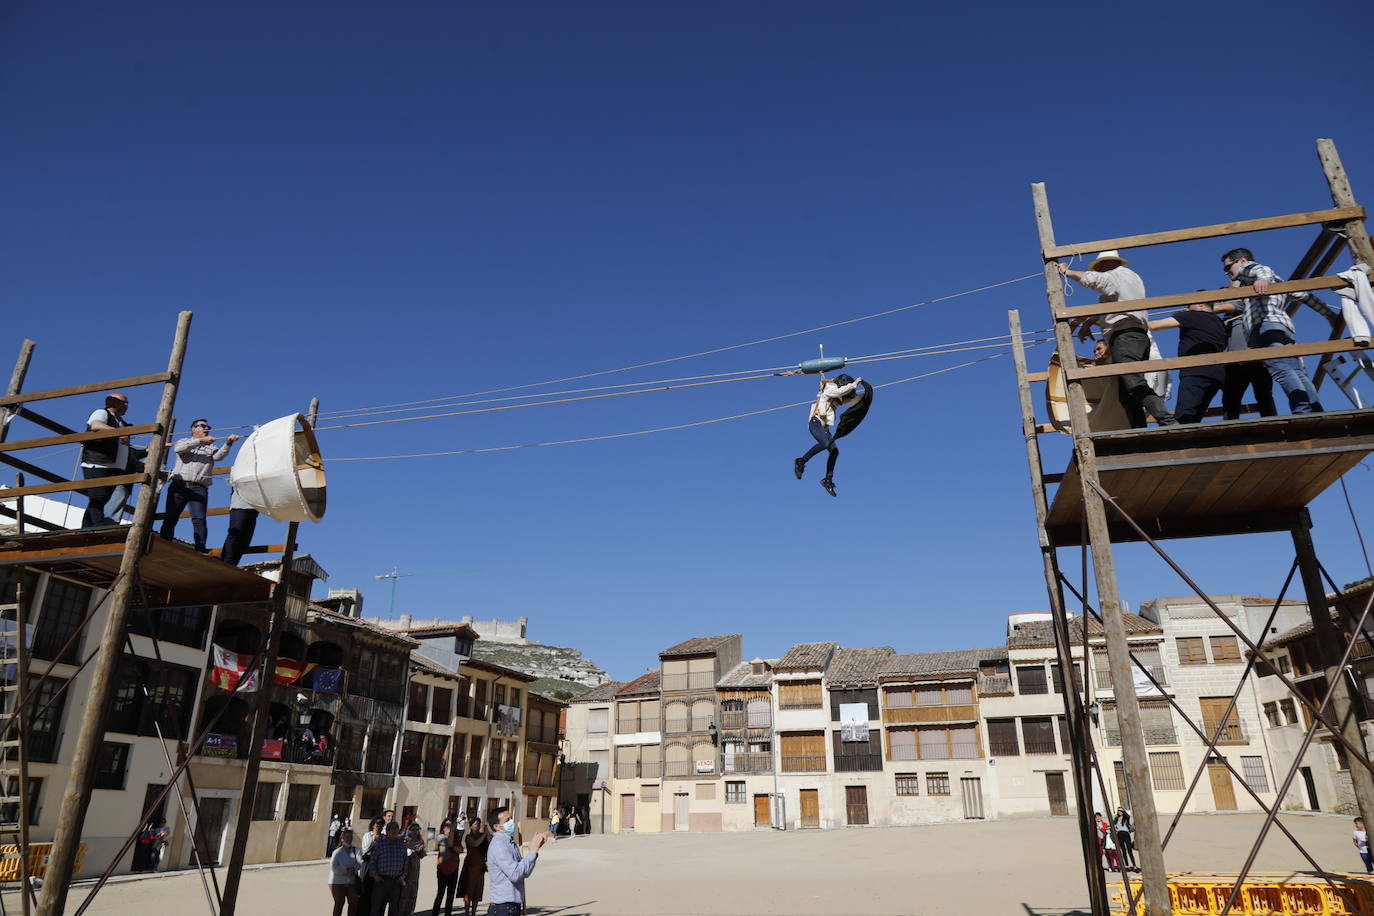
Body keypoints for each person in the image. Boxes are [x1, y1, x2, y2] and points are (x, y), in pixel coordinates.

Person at [1060, 251, 1177, 427]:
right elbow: (1110, 305)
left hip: (1125, 337)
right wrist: (1089, 322)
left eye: (1100, 267)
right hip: (1135, 335)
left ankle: (1166, 420)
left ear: (1108, 264)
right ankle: (1140, 429)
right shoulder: (1129, 278)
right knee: (1126, 392)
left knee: (1132, 382)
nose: (1099, 270)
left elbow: (1094, 280)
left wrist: (1068, 272)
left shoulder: (1115, 275)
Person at [1222, 248, 1324, 414]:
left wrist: (1262, 279)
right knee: (1296, 371)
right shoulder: (1278, 281)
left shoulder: (1249, 271)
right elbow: (1305, 296)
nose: (1227, 272)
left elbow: (1261, 269)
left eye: (1228, 267)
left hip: (1265, 327)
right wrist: (1328, 314)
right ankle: (1315, 408)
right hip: (1283, 328)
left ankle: (1302, 409)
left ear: (1241, 261)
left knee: (1280, 369)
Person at [159, 420, 240, 550]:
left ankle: (200, 549)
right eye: (203, 426)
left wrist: (228, 443)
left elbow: (218, 456)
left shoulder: (211, 447)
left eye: (208, 426)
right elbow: (179, 449)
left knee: (199, 519)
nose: (206, 428)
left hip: (199, 487)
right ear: (193, 429)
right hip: (179, 485)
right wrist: (200, 441)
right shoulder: (184, 441)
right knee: (171, 517)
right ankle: (163, 544)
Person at [1148, 299, 1229, 423]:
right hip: (1217, 375)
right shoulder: (1220, 322)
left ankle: (1181, 441)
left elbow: (1154, 326)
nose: (1187, 309)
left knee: (1184, 416)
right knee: (1196, 417)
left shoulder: (1192, 315)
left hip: (1196, 371)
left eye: (1189, 306)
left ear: (1200, 305)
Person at [793, 373, 867, 497]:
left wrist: (867, 393)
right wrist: (854, 384)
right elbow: (839, 392)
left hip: (825, 428)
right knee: (825, 444)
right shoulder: (829, 388)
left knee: (834, 451)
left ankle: (828, 479)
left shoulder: (838, 398)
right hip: (815, 422)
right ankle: (801, 461)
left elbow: (854, 400)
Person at [81, 392, 144, 526]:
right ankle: (97, 527)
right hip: (97, 464)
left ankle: (86, 528)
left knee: (101, 499)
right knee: (98, 497)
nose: (126, 406)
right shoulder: (102, 413)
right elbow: (96, 425)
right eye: (124, 403)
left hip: (112, 467)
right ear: (113, 403)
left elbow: (125, 449)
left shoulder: (120, 423)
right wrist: (119, 433)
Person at [486, 807, 548, 916]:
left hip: (513, 906)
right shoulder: (499, 845)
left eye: (511, 819)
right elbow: (515, 874)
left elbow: (524, 872)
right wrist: (532, 851)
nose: (511, 822)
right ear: (497, 826)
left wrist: (534, 851)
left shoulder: (510, 843)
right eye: (507, 820)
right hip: (502, 907)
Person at [1220, 304, 1277, 420]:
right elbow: (1222, 342)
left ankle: (1272, 423)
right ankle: (1230, 427)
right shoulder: (1228, 319)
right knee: (1230, 398)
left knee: (1264, 395)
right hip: (1234, 363)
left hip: (1257, 359)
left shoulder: (1252, 310)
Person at [367, 821, 408, 916]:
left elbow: (406, 863)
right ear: (387, 831)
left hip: (396, 881)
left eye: (396, 829)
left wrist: (403, 876)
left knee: (394, 910)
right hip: (381, 881)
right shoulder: (380, 844)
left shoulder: (402, 845)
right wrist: (375, 876)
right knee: (377, 909)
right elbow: (372, 862)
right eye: (392, 829)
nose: (394, 831)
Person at [457, 810, 490, 916]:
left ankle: (473, 912)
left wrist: (487, 831)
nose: (478, 826)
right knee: (468, 889)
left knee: (477, 890)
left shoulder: (482, 835)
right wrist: (484, 835)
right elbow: (475, 844)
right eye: (476, 824)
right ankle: (466, 912)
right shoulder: (468, 837)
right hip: (470, 866)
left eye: (479, 824)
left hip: (480, 866)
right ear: (471, 826)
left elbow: (488, 841)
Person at [220, 481, 260, 565]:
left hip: (254, 507)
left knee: (245, 539)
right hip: (240, 506)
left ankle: (232, 564)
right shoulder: (239, 469)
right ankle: (226, 563)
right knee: (235, 535)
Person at [329, 827, 362, 916]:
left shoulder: (357, 850)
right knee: (339, 904)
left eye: (350, 837)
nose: (349, 839)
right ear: (342, 839)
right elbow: (333, 867)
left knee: (353, 902)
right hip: (338, 882)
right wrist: (345, 871)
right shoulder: (337, 852)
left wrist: (354, 869)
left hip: (351, 882)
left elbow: (360, 862)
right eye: (347, 837)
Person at [398, 820, 426, 916]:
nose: (415, 831)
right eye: (413, 829)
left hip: (415, 869)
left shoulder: (420, 842)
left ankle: (410, 912)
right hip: (405, 869)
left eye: (417, 830)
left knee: (412, 893)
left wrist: (420, 851)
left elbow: (422, 855)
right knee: (404, 893)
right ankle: (401, 911)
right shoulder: (405, 841)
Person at [433, 819, 460, 916]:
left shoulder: (455, 836)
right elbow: (450, 844)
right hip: (443, 869)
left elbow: (460, 849)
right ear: (443, 827)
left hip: (454, 868)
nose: (449, 827)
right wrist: (452, 833)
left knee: (450, 895)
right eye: (447, 825)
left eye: (451, 825)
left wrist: (455, 847)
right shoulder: (441, 837)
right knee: (440, 894)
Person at [1113, 807, 1136, 871]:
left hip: (1126, 834)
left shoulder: (1126, 818)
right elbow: (1113, 825)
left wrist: (1123, 810)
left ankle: (1134, 865)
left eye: (1120, 811)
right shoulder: (1116, 819)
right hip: (1120, 834)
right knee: (1123, 850)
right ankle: (1127, 865)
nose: (1119, 812)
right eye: (1118, 811)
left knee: (1129, 850)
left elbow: (1128, 816)